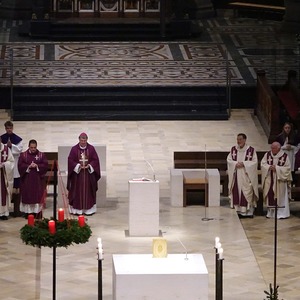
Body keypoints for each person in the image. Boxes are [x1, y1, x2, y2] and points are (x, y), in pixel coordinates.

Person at [67, 133, 101, 215]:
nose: (83, 142)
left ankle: (88, 210)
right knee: (77, 192)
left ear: (87, 139)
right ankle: (77, 210)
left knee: (88, 192)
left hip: (88, 176)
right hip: (77, 177)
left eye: (84, 140)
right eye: (81, 140)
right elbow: (70, 161)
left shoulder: (91, 149)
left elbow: (95, 160)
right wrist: (78, 166)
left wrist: (89, 166)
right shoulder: (74, 149)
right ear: (79, 139)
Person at [227, 133, 259, 218]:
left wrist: (244, 164)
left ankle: (247, 212)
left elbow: (254, 162)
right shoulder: (233, 149)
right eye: (237, 139)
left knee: (246, 191)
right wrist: (235, 164)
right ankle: (238, 210)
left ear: (245, 140)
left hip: (246, 175)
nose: (238, 141)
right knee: (236, 190)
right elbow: (229, 160)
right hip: (236, 174)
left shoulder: (251, 150)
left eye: (240, 139)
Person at [261, 142, 292, 219]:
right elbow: (263, 164)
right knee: (270, 194)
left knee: (280, 196)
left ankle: (282, 214)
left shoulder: (284, 156)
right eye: (271, 148)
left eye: (274, 148)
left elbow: (288, 169)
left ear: (279, 148)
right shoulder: (267, 155)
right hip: (269, 178)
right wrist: (269, 167)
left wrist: (277, 168)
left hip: (280, 180)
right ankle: (271, 213)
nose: (272, 150)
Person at [18, 139, 48, 218]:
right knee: (28, 195)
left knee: (37, 196)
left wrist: (37, 166)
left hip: (38, 180)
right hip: (27, 180)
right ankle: (28, 213)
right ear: (28, 146)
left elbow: (45, 165)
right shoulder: (23, 155)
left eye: (34, 147)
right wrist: (28, 166)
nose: (33, 149)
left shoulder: (41, 155)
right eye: (31, 147)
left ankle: (37, 212)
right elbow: (20, 166)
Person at [1, 120, 23, 217]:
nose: (9, 130)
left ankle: (16, 210)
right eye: (7, 128)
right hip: (5, 169)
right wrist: (6, 146)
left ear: (12, 128)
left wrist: (11, 146)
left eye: (10, 128)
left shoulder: (18, 139)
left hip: (15, 166)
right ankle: (4, 209)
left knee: (16, 188)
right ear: (5, 129)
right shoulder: (2, 138)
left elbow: (20, 150)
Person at [0, 137, 14, 220]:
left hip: (3, 176)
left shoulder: (6, 149)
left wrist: (4, 165)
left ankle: (4, 213)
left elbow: (11, 161)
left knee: (3, 193)